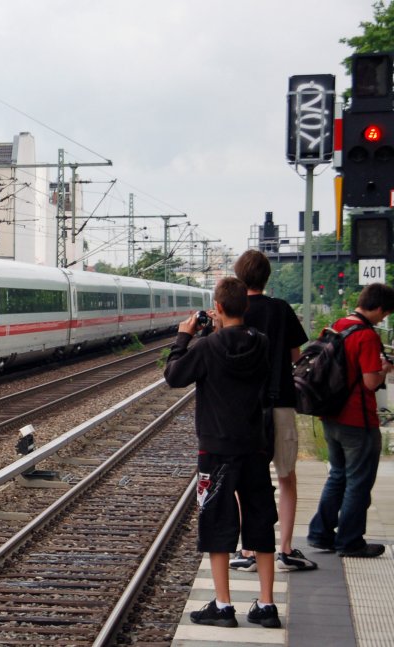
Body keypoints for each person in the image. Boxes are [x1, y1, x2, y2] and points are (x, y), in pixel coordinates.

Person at [164, 277, 280, 629]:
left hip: (215, 450)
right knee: (261, 519)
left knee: (216, 521)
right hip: (254, 447)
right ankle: (266, 604)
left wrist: (186, 336)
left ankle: (224, 605)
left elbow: (173, 376)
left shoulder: (205, 347)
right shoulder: (261, 343)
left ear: (217, 308)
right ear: (244, 306)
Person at [229, 250, 315, 572]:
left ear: (239, 277)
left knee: (245, 481)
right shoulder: (281, 310)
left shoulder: (236, 311)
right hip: (280, 403)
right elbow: (296, 355)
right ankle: (286, 549)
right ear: (268, 277)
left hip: (245, 408)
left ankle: (248, 550)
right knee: (286, 477)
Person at [307, 282, 394, 558]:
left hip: (330, 415)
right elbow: (370, 382)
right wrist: (385, 370)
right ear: (379, 308)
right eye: (385, 314)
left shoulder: (337, 325)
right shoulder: (366, 336)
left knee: (338, 475)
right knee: (358, 481)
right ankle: (350, 541)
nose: (383, 319)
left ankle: (321, 534)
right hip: (358, 420)